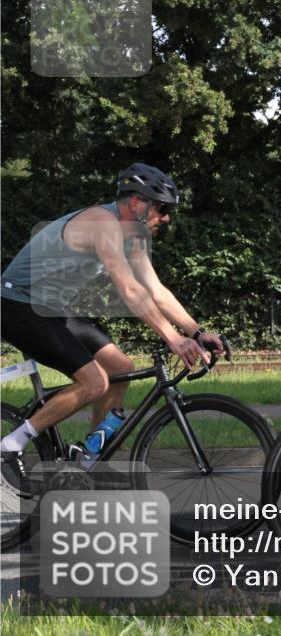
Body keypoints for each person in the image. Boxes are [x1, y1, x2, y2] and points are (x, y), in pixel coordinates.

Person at [0, 163, 226, 489]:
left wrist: (197, 332)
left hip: (50, 309)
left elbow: (155, 290)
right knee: (95, 382)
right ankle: (10, 446)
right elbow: (130, 290)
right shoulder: (102, 223)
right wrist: (173, 339)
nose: (166, 218)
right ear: (137, 203)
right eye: (161, 209)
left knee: (120, 368)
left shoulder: (132, 236)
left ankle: (91, 460)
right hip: (16, 304)